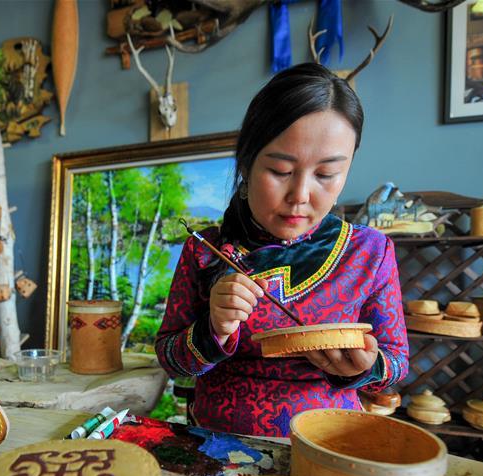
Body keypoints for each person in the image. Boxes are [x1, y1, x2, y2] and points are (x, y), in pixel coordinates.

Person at [154, 63, 408, 437]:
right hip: (213, 449)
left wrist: (364, 367)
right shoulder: (206, 250)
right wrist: (215, 330)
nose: (301, 196)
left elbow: (397, 361)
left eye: (326, 175)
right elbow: (171, 362)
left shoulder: (369, 252)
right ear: (246, 163)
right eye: (280, 171)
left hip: (324, 445)